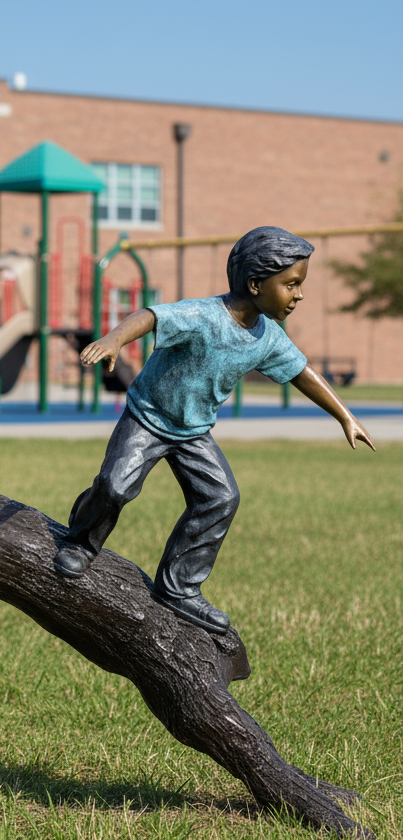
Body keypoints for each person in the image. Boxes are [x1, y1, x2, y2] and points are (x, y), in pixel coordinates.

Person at [54, 225, 374, 633]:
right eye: (292, 285)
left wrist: (345, 415)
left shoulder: (268, 338)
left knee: (221, 498)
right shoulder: (203, 315)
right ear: (256, 284)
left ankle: (179, 586)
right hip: (148, 417)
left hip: (193, 432)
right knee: (116, 486)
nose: (299, 295)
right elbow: (150, 316)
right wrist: (115, 339)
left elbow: (302, 372)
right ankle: (80, 541)